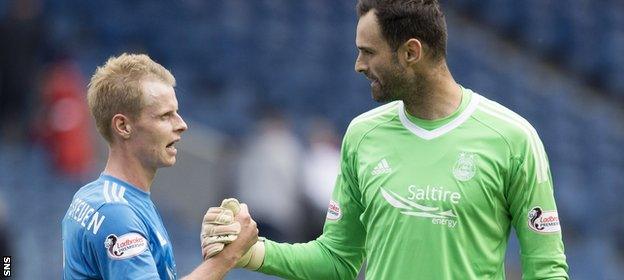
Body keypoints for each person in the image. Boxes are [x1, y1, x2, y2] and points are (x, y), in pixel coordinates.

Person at [203, 1, 569, 279]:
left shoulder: (513, 138)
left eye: (368, 52)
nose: (358, 65)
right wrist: (251, 253)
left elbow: (547, 269)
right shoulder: (363, 135)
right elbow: (337, 258)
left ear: (411, 52)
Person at [61, 53, 258, 280]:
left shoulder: (94, 197)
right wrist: (227, 259)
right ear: (123, 126)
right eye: (165, 116)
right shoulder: (116, 213)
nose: (182, 125)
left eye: (177, 113)